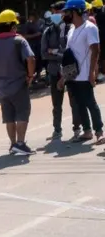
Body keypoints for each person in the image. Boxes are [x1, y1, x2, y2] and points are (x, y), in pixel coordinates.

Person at [0, 9, 37, 155]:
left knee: (9, 117)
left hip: (2, 88)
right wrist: (30, 76)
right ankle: (21, 144)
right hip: (18, 84)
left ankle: (13, 145)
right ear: (12, 25)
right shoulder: (19, 40)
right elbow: (31, 59)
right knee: (22, 113)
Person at [62, 0, 104, 143]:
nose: (65, 14)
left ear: (75, 12)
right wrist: (64, 77)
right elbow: (69, 56)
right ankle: (87, 131)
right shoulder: (71, 30)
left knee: (90, 103)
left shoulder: (90, 28)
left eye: (67, 12)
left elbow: (95, 50)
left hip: (85, 74)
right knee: (79, 104)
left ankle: (99, 132)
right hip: (73, 75)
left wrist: (92, 72)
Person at [43, 1, 78, 140]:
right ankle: (57, 129)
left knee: (74, 101)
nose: (56, 15)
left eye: (59, 12)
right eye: (54, 12)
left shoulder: (72, 29)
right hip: (54, 71)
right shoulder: (48, 31)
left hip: (70, 69)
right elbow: (44, 53)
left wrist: (56, 52)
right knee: (56, 104)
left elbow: (73, 52)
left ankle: (77, 128)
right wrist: (61, 54)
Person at [22, 13, 45, 80]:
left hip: (39, 45)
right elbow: (24, 36)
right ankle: (31, 76)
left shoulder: (40, 23)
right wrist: (35, 35)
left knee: (39, 61)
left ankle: (38, 75)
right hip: (31, 46)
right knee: (32, 60)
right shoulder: (27, 25)